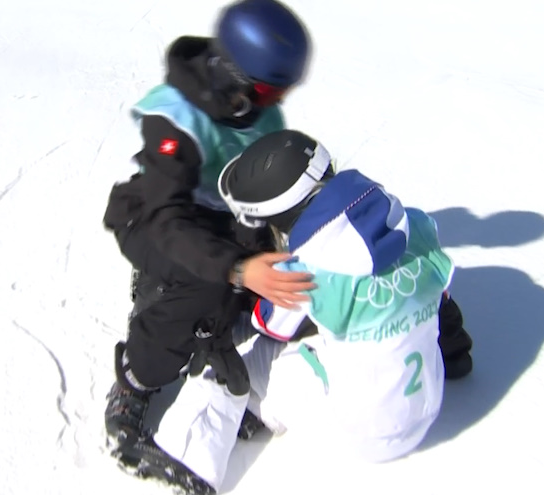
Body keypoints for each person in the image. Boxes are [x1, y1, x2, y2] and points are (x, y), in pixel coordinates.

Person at [133, 129, 474, 494]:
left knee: (230, 357)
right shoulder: (416, 225)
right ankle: (264, 412)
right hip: (427, 407)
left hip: (359, 434)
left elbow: (266, 326)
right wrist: (456, 353)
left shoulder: (304, 269)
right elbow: (441, 297)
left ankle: (188, 464)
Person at [100, 0, 315, 491]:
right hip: (154, 218)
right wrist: (238, 270)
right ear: (235, 74)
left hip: (225, 219)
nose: (275, 100)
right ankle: (132, 384)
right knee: (204, 290)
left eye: (281, 90)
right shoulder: (174, 119)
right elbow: (165, 218)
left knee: (287, 284)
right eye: (268, 88)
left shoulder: (260, 109)